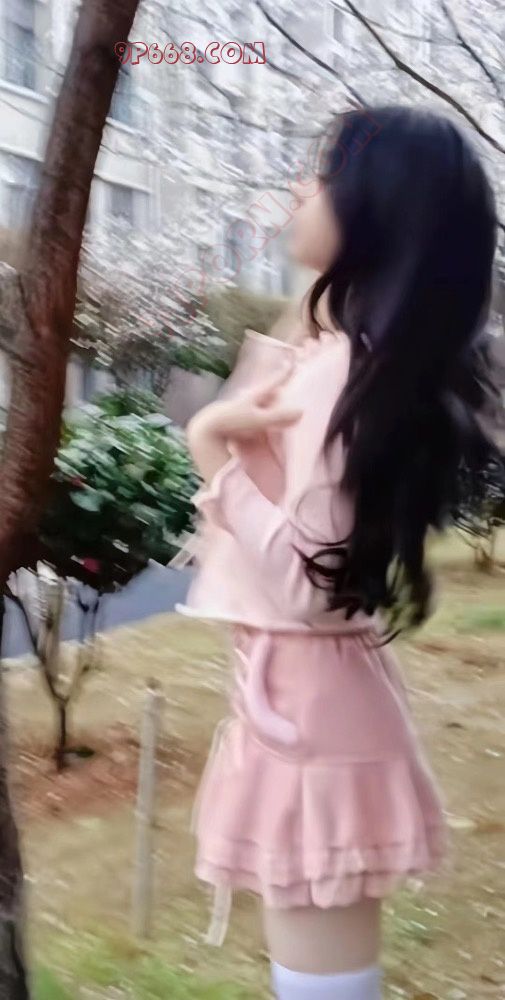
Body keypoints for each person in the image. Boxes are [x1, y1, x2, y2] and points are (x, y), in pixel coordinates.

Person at [175, 105, 502, 999]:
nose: (298, 190)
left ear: (375, 210)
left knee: (322, 985)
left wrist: (211, 449)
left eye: (321, 176)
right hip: (310, 707)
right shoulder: (344, 360)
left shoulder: (338, 374)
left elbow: (308, 584)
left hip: (312, 718)